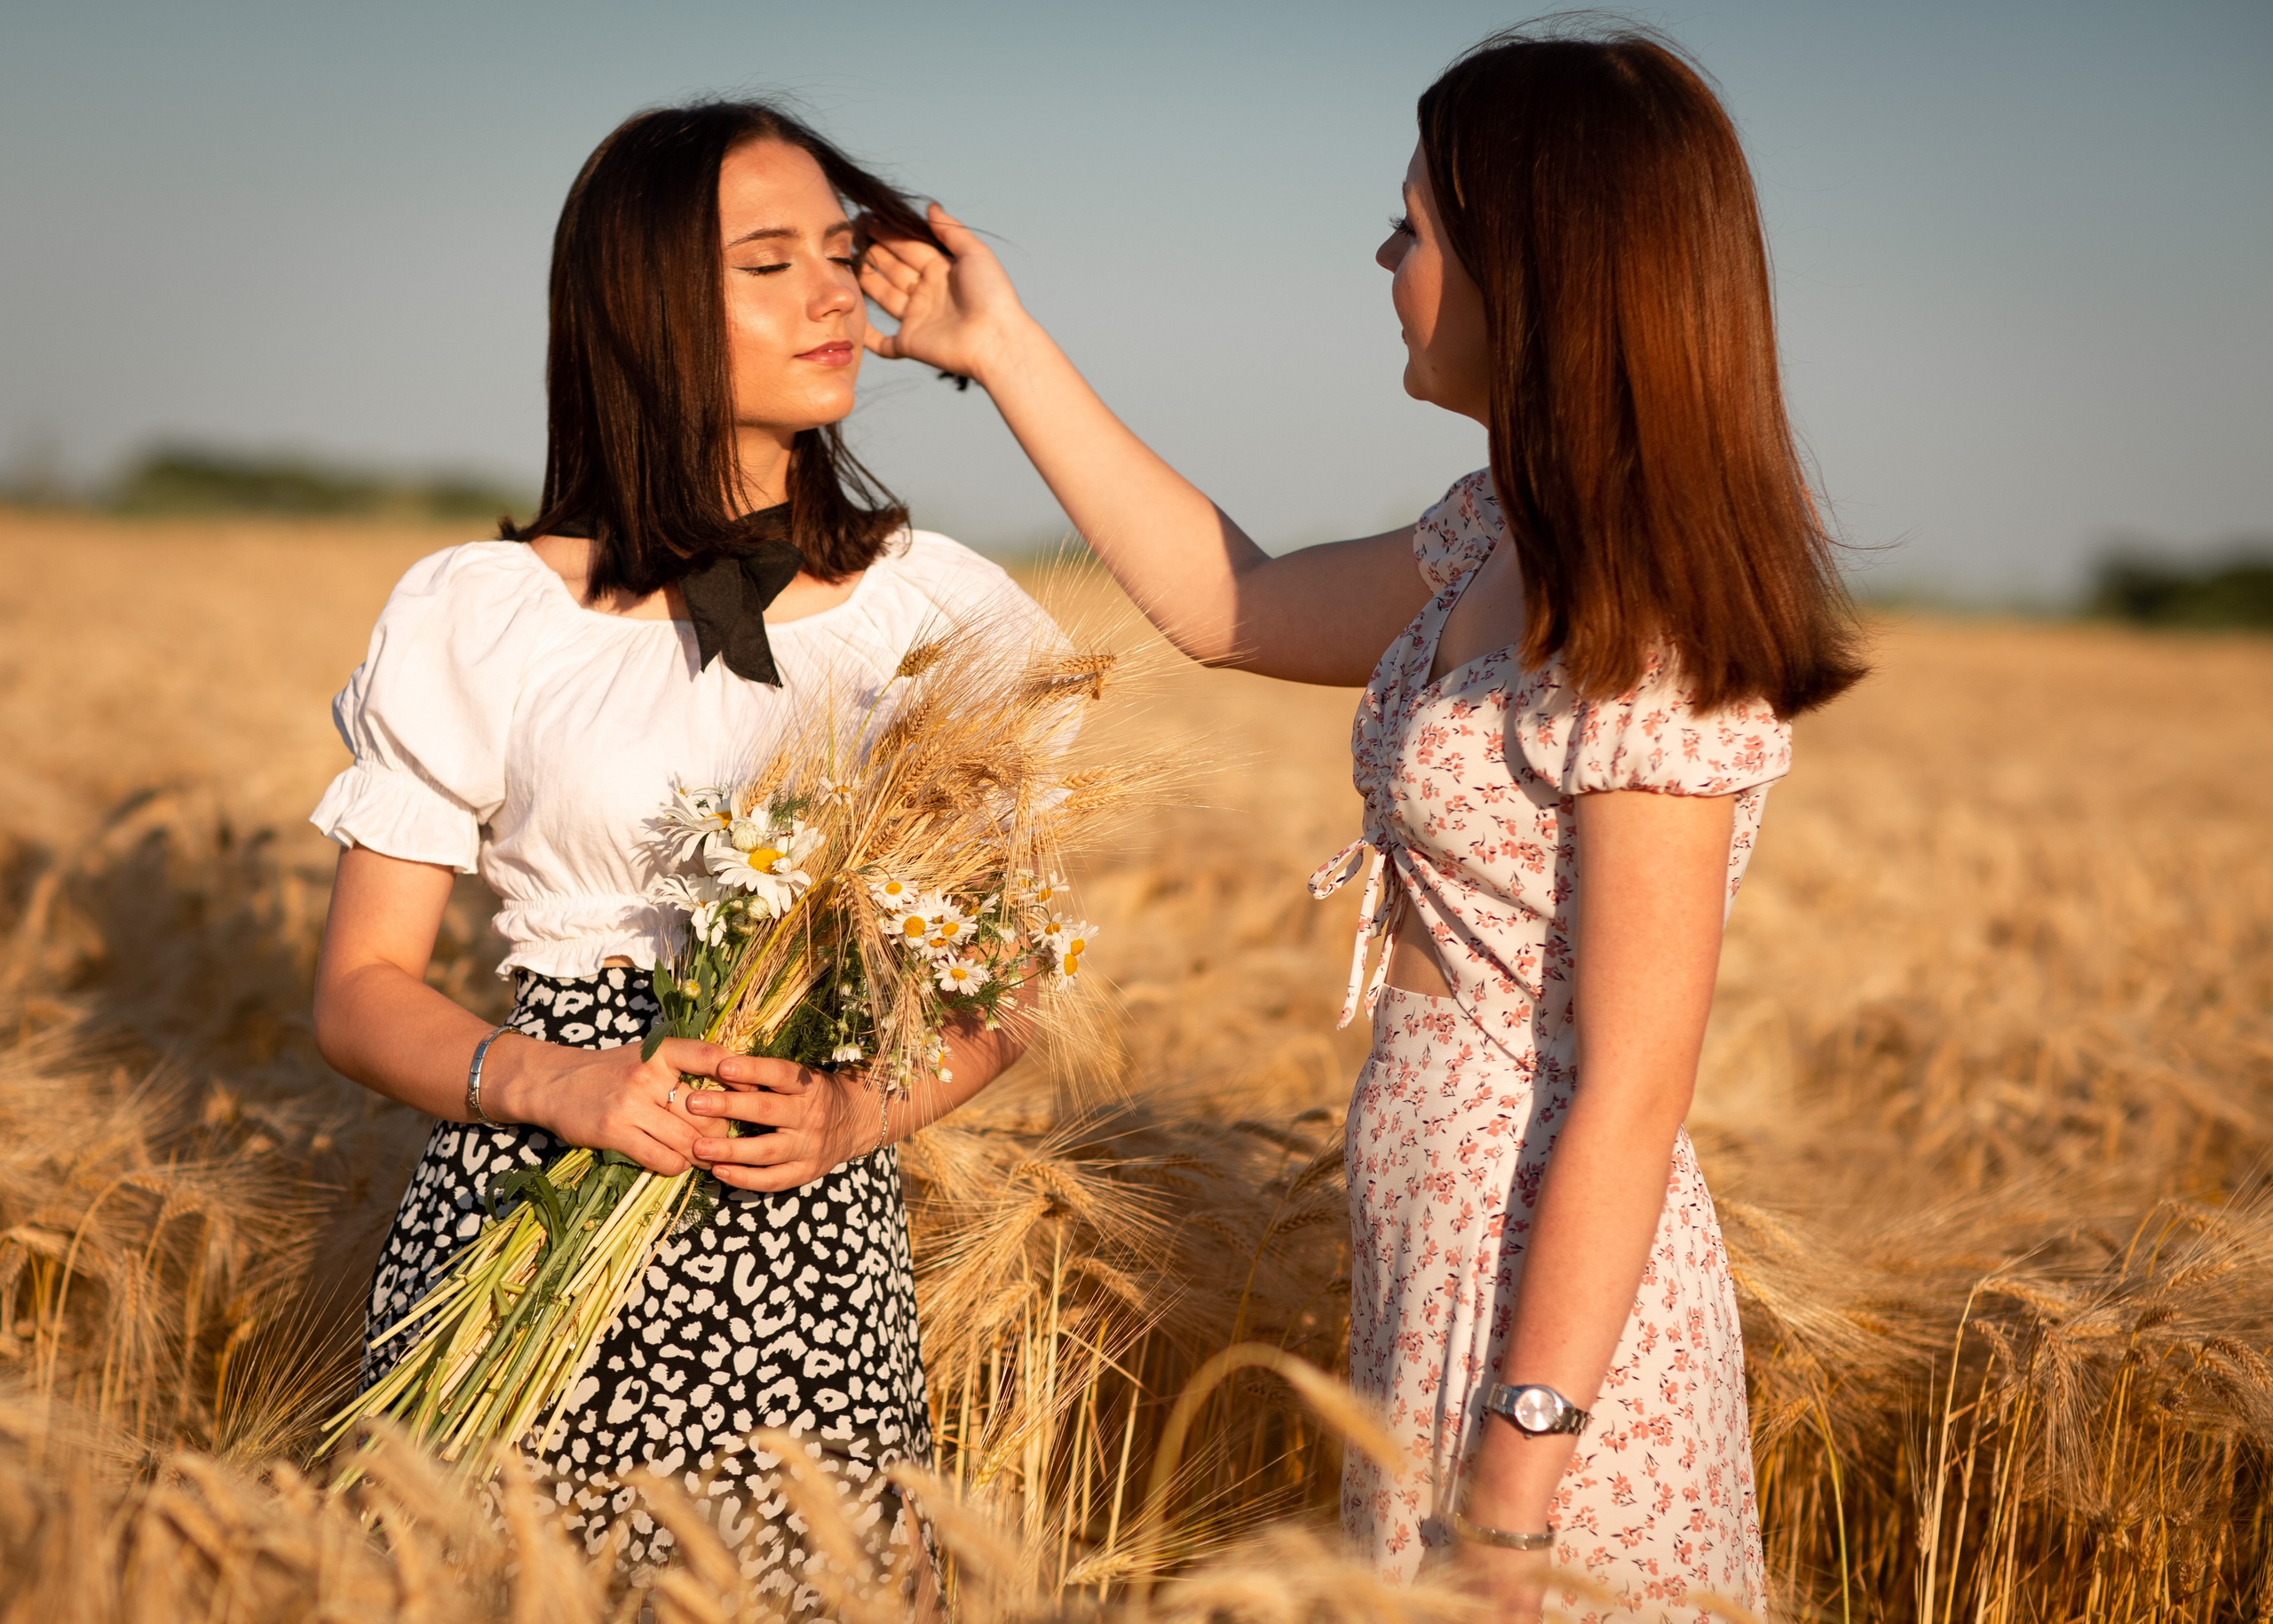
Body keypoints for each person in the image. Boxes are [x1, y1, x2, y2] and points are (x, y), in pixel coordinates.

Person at [853, 25, 1864, 1621]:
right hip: (1433, 1251)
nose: (1385, 258)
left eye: (1414, 225)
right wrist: (1003, 349)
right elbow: (1233, 605)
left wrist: (1518, 1490)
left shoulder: (1652, 631)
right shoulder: (1496, 537)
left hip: (1550, 1324)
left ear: (1534, 268)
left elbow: (1633, 1089)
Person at [308, 100, 1043, 1612]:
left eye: (839, 253)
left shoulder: (940, 615)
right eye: (770, 264)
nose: (833, 295)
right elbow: (360, 989)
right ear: (642, 305)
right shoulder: (486, 614)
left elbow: (1013, 983)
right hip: (525, 1235)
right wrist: (557, 1081)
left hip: (806, 1260)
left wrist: (855, 1110)